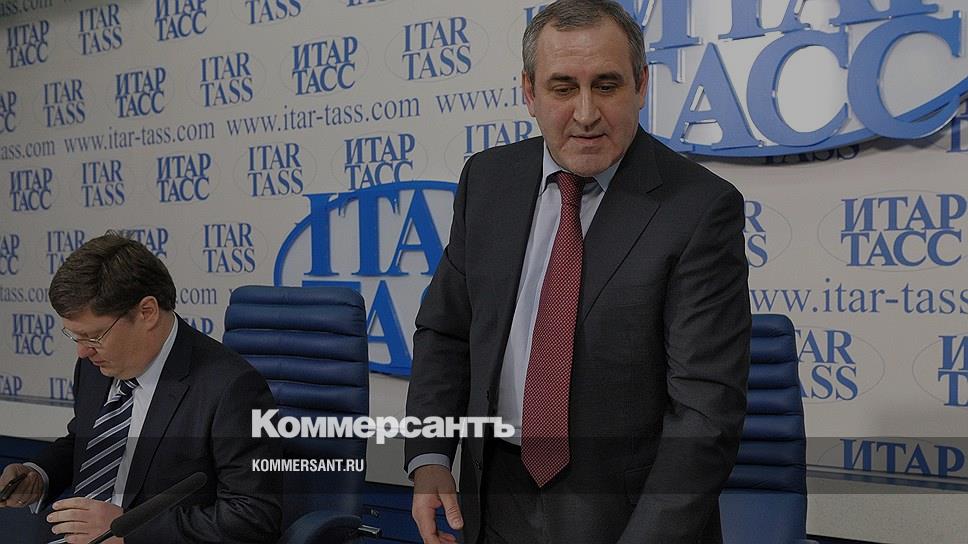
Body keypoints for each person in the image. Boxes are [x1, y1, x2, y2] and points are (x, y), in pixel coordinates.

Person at [405, 1, 751, 543]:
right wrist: (429, 456)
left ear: (641, 85)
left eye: (606, 85)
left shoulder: (699, 209)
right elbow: (446, 333)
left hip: (628, 517)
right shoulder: (487, 180)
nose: (586, 113)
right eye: (563, 87)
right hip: (488, 498)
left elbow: (704, 415)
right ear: (529, 93)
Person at [0, 232, 281, 543]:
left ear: (147, 312)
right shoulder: (95, 365)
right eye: (75, 336)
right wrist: (39, 474)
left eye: (93, 336)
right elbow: (85, 439)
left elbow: (253, 517)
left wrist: (129, 529)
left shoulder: (231, 388)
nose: (82, 351)